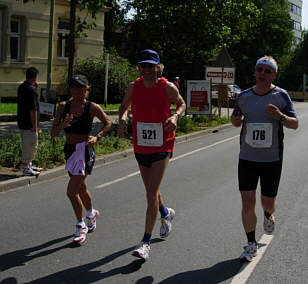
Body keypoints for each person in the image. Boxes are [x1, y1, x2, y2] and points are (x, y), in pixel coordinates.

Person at [118, 49, 186, 260]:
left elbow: (182, 104)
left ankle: (145, 243)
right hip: (141, 144)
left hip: (162, 144)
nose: (147, 70)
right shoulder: (133, 87)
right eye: (143, 66)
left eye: (150, 66)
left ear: (158, 67)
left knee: (150, 193)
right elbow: (123, 107)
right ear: (139, 68)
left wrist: (175, 116)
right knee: (151, 190)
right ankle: (165, 213)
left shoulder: (167, 87)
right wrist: (122, 119)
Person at [231, 56, 298, 262]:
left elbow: (294, 124)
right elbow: (235, 120)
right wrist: (235, 120)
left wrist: (279, 116)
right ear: (254, 72)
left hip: (271, 159)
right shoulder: (243, 96)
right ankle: (251, 244)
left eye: (267, 71)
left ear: (274, 75)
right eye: (259, 69)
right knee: (247, 200)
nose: (262, 74)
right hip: (247, 158)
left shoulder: (281, 96)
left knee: (267, 202)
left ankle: (268, 215)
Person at [51, 74, 112, 244]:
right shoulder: (64, 106)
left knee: (71, 191)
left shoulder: (92, 107)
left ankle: (80, 225)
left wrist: (97, 137)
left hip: (84, 151)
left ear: (87, 89)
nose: (77, 91)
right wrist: (62, 125)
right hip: (70, 151)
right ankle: (91, 213)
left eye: (81, 87)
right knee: (81, 188)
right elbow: (53, 133)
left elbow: (108, 123)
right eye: (74, 87)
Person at [17, 66, 42, 176]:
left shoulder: (22, 87)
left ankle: (29, 164)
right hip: (29, 124)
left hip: (22, 121)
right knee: (31, 145)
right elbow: (33, 109)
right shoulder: (31, 90)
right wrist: (35, 125)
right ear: (35, 77)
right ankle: (26, 167)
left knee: (26, 144)